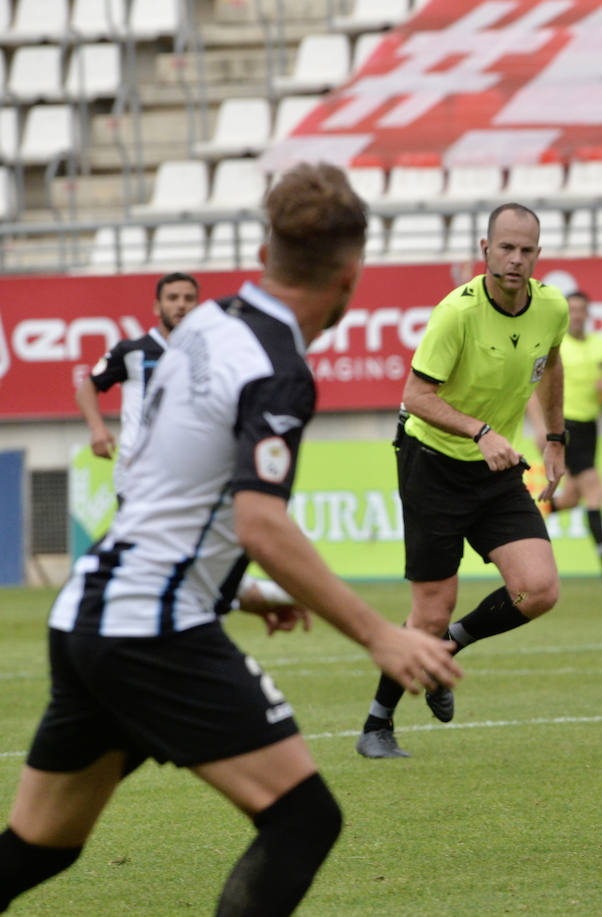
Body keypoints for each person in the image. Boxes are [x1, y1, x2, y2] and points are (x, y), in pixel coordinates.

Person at [0, 163, 461, 915]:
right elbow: (261, 522)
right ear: (351, 277)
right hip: (151, 630)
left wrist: (236, 591)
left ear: (264, 252)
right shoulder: (278, 369)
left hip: (92, 611)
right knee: (304, 820)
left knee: (39, 846)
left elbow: (170, 493)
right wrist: (381, 635)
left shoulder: (204, 323)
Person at [356, 202, 569, 759]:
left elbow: (552, 363)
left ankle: (447, 648)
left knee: (539, 590)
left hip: (495, 466)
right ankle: (377, 723)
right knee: (430, 611)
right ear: (485, 250)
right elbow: (415, 396)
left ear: (538, 254)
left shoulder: (552, 306)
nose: (515, 259)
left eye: (526, 250)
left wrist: (555, 438)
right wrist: (480, 431)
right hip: (432, 465)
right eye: (506, 248)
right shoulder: (457, 313)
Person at [526, 290, 602, 583]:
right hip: (565, 426)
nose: (576, 315)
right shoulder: (555, 346)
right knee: (595, 490)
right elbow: (532, 389)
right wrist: (540, 428)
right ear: (565, 314)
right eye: (571, 310)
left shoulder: (600, 345)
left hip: (590, 428)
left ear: (588, 314)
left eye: (580, 310)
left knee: (572, 498)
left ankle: (526, 516)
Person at [75, 272, 199, 499]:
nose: (181, 305)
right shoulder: (131, 351)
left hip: (189, 469)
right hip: (138, 470)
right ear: (157, 306)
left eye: (188, 299)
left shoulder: (206, 351)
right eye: (172, 298)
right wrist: (97, 429)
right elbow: (87, 387)